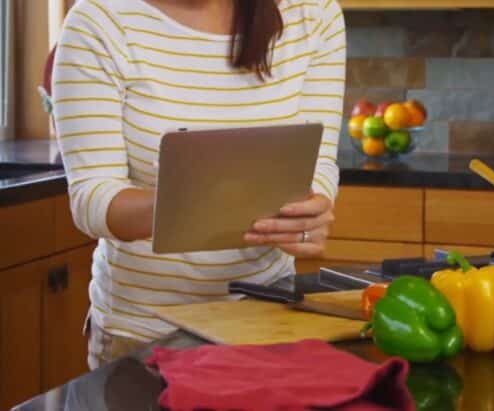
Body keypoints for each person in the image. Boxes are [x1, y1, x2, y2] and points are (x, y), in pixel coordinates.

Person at [51, 0, 345, 369]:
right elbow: (92, 198)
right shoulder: (100, 20)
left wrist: (306, 219)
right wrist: (195, 203)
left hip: (267, 325)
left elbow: (316, 166)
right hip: (143, 338)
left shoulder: (313, 14)